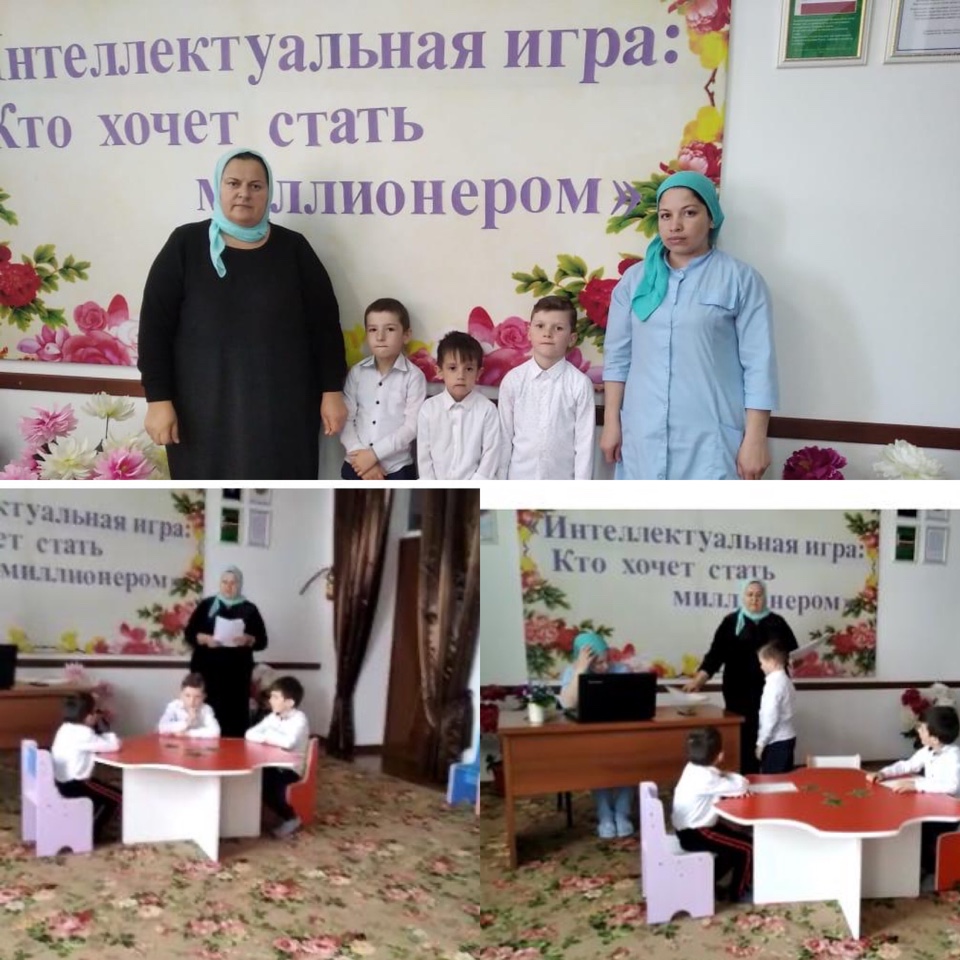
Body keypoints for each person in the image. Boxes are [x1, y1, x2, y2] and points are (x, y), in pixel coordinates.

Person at [138, 146, 347, 479]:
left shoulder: (294, 249)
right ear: (218, 187)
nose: (244, 193)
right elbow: (154, 330)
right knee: (207, 500)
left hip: (282, 411)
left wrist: (332, 391)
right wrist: (158, 399)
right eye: (233, 183)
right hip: (202, 411)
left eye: (255, 186)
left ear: (268, 192)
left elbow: (325, 328)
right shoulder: (185, 244)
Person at [599, 170, 779, 480]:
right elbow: (618, 357)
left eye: (689, 213)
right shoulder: (634, 281)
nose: (675, 226)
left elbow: (759, 365)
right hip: (641, 435)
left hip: (710, 439)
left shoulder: (741, 280)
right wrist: (612, 422)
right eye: (665, 215)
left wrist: (755, 439)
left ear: (712, 218)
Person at [684, 579, 798, 774]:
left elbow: (792, 653)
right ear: (743, 597)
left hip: (772, 691)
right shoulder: (730, 622)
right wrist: (698, 680)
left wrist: (794, 660)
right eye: (750, 595)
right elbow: (715, 655)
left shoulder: (777, 622)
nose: (754, 599)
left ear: (765, 597)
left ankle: (773, 782)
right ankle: (745, 781)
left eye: (759, 595)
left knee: (772, 738)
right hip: (738, 693)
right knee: (743, 742)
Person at [498, 296, 596, 480]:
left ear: (572, 338)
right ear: (529, 332)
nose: (547, 333)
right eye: (540, 326)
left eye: (558, 328)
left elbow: (584, 446)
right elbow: (504, 439)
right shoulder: (513, 381)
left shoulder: (580, 384)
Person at [867, 704, 960, 877]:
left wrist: (917, 785)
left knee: (919, 831)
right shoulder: (928, 751)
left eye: (922, 729)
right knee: (907, 820)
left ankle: (925, 868)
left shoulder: (954, 756)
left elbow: (951, 785)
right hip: (931, 805)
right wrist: (883, 773)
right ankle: (914, 864)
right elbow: (908, 765)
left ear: (935, 738)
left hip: (947, 814)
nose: (918, 731)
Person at [558, 631, 634, 838]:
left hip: (620, 735)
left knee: (632, 760)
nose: (605, 666)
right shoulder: (572, 672)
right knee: (598, 764)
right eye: (598, 663)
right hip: (588, 738)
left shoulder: (621, 670)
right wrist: (580, 670)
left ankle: (622, 814)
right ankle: (605, 816)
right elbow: (567, 703)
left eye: (607, 660)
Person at [340, 297, 426, 480]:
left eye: (390, 329)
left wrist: (374, 455)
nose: (380, 337)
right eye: (373, 330)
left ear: (406, 335)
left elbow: (411, 426)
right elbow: (346, 418)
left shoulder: (414, 376)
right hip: (356, 465)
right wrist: (361, 457)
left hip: (397, 468)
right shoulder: (357, 373)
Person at [183, 565, 268, 737]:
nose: (228, 586)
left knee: (234, 717)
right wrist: (205, 639)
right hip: (207, 671)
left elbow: (262, 641)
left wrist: (248, 639)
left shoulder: (250, 609)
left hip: (236, 675)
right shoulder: (207, 605)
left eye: (233, 583)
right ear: (220, 584)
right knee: (206, 713)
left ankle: (233, 751)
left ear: (240, 585)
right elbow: (189, 634)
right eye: (225, 582)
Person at [672, 726, 753, 902]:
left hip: (690, 828)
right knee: (747, 848)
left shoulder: (692, 768)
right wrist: (728, 775)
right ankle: (739, 893)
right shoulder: (707, 778)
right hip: (697, 832)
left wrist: (723, 775)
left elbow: (726, 782)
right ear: (720, 755)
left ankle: (704, 883)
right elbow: (742, 785)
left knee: (736, 844)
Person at [417, 331, 501, 479]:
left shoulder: (487, 410)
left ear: (478, 373)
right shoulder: (428, 409)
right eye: (452, 368)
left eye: (468, 369)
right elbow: (424, 458)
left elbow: (491, 454)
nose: (461, 376)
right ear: (439, 371)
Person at [51, 692, 123, 843]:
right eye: (97, 711)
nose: (99, 715)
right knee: (117, 797)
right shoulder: (83, 734)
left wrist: (99, 726)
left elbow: (97, 741)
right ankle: (91, 834)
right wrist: (107, 726)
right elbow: (113, 745)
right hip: (77, 784)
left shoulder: (66, 728)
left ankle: (89, 824)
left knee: (103, 790)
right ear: (89, 717)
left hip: (62, 781)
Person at [245, 676, 310, 838]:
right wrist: (269, 736)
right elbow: (250, 734)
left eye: (275, 697)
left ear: (289, 703)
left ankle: (291, 818)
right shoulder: (273, 717)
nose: (270, 700)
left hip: (291, 769)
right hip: (274, 764)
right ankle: (252, 817)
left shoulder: (299, 719)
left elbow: (288, 743)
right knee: (251, 777)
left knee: (266, 784)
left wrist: (267, 735)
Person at [755, 641, 796, 773]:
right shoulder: (786, 680)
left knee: (773, 781)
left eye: (762, 662)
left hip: (776, 741)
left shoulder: (773, 684)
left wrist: (761, 743)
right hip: (788, 737)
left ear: (772, 662)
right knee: (785, 779)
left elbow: (770, 716)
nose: (761, 667)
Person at [157, 672, 221, 738]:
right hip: (176, 743)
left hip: (197, 744)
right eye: (187, 696)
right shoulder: (174, 706)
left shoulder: (206, 709)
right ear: (181, 695)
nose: (192, 701)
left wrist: (187, 734)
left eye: (197, 697)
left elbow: (215, 732)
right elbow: (162, 727)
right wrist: (187, 722)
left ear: (203, 697)